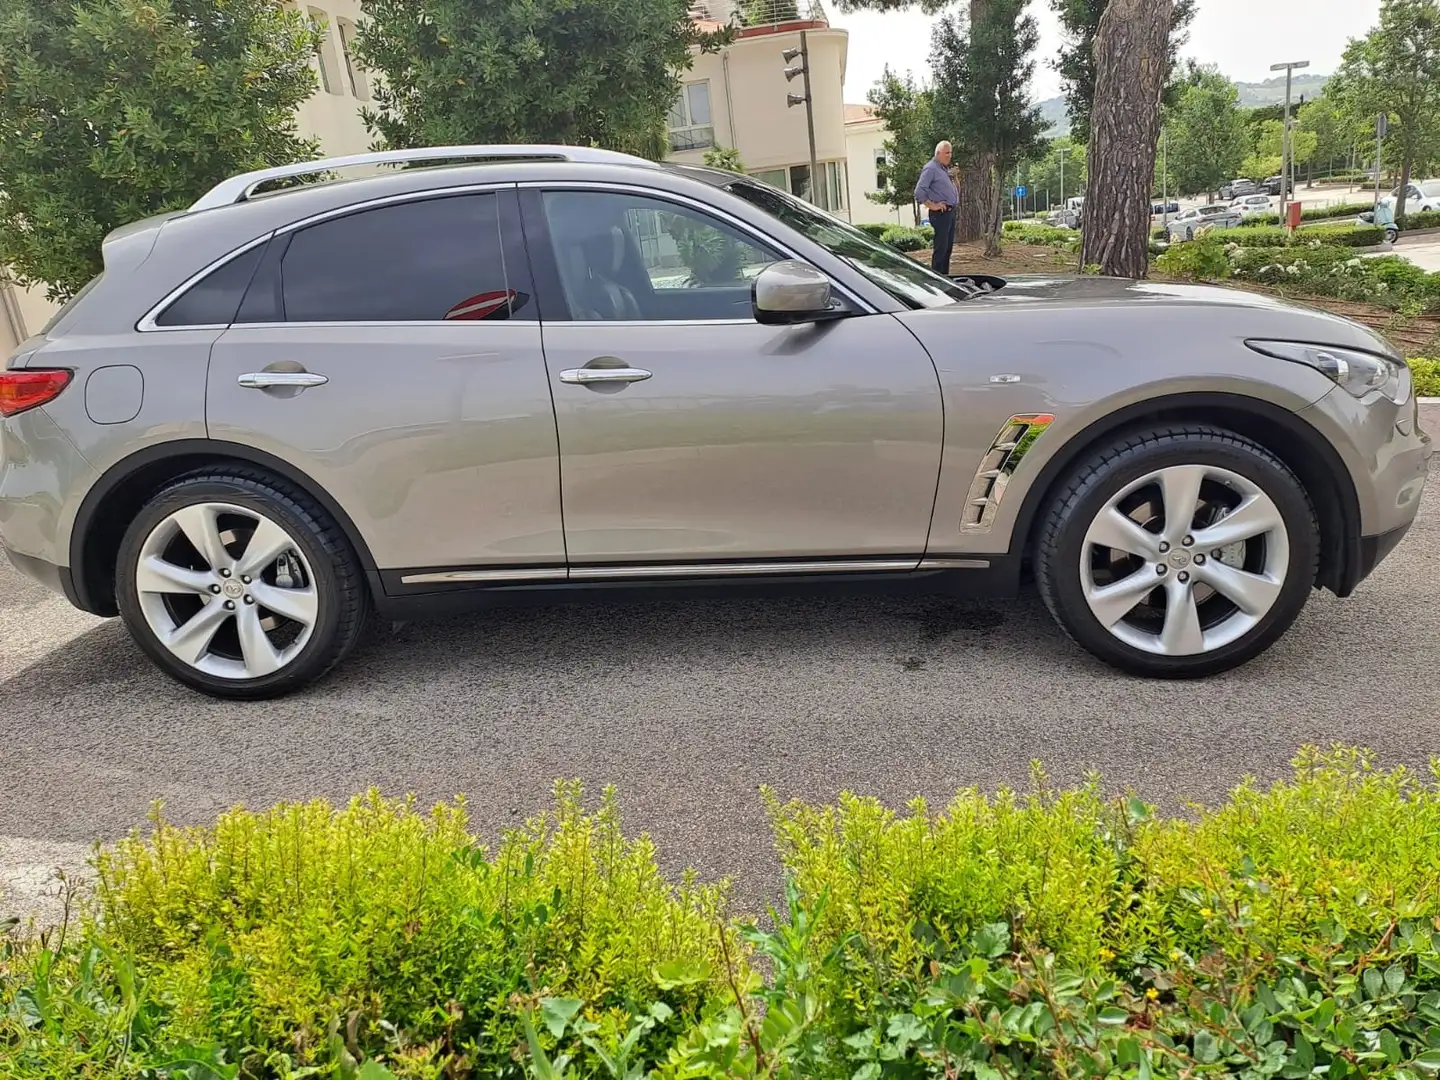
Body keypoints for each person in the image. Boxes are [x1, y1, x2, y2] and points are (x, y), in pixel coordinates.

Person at [914, 141, 959, 275]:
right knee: (941, 249)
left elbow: (956, 190)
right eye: (947, 153)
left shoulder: (944, 170)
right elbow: (919, 192)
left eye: (950, 153)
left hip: (950, 212)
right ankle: (937, 280)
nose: (949, 156)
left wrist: (955, 177)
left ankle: (944, 278)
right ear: (938, 153)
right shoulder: (930, 169)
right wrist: (933, 205)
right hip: (940, 214)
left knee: (947, 249)